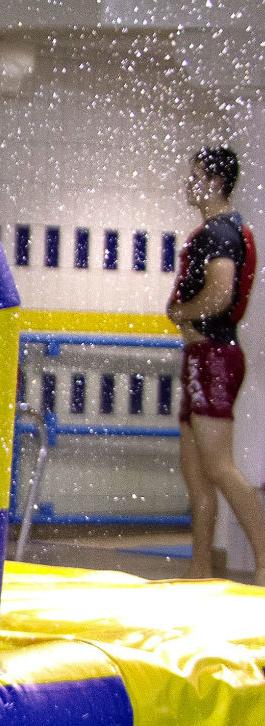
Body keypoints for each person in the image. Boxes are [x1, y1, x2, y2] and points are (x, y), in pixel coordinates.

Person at [168, 146, 261, 584]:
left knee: (219, 467)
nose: (190, 182)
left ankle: (263, 563)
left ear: (216, 182)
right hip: (203, 359)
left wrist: (181, 312)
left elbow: (221, 295)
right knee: (198, 475)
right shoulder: (214, 230)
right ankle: (199, 571)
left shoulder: (221, 232)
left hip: (214, 358)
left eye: (196, 175)